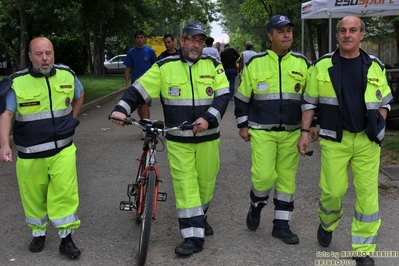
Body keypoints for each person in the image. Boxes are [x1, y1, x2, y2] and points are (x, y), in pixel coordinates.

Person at [110, 22, 229, 256]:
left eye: (200, 40)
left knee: (205, 185)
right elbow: (138, 89)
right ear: (181, 40)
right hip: (178, 140)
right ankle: (193, 237)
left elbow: (223, 96)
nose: (195, 44)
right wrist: (121, 109)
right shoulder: (164, 66)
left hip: (208, 138)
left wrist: (207, 119)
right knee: (186, 186)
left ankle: (200, 216)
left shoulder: (214, 64)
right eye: (191, 39)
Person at [297, 16, 393, 266]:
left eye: (353, 30)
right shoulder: (321, 65)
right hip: (334, 139)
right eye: (342, 31)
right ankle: (327, 223)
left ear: (362, 35)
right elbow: (309, 102)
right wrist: (305, 132)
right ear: (337, 35)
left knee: (367, 196)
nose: (347, 35)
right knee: (333, 191)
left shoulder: (375, 66)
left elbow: (385, 102)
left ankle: (363, 249)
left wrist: (379, 127)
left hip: (366, 142)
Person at [0, 37, 84, 259]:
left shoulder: (67, 74)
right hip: (30, 154)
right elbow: (6, 114)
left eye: (48, 53)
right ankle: (38, 232)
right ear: (30, 56)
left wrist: (72, 119)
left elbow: (79, 94)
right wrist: (4, 144)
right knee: (33, 196)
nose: (45, 58)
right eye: (39, 54)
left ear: (53, 54)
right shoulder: (16, 82)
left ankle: (66, 239)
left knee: (65, 193)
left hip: (63, 150)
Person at [235, 15, 312, 245]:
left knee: (287, 181)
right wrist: (242, 124)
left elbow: (311, 98)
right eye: (281, 31)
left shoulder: (303, 63)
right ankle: (256, 205)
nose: (286, 34)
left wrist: (310, 127)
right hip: (262, 131)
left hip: (291, 132)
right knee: (264, 176)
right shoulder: (255, 62)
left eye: (289, 30)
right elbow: (242, 97)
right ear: (270, 36)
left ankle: (281, 224)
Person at [123, 30, 157, 123]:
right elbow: (128, 68)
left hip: (148, 83)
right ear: (135, 39)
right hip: (136, 83)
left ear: (144, 38)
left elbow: (156, 67)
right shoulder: (131, 52)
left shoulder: (150, 51)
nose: (140, 40)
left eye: (141, 37)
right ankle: (143, 122)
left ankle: (147, 126)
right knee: (139, 105)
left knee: (145, 105)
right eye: (138, 38)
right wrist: (127, 84)